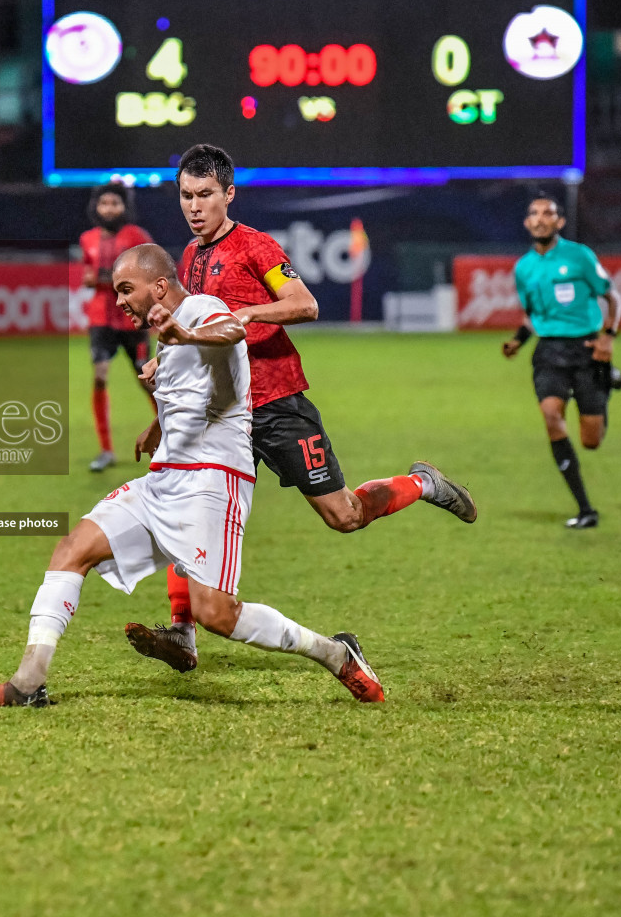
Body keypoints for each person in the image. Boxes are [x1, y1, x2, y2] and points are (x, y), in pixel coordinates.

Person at [0, 244, 384, 708]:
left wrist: (185, 335)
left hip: (212, 483)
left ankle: (335, 653)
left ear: (160, 287)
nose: (120, 299)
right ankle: (27, 683)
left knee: (218, 614)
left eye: (127, 289)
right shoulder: (167, 332)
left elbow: (229, 332)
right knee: (72, 549)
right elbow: (194, 390)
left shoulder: (203, 311)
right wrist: (157, 420)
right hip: (164, 480)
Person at [125, 144, 475, 675]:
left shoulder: (254, 247)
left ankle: (421, 483)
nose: (194, 206)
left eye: (205, 195)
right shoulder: (190, 261)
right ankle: (183, 631)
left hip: (278, 404)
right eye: (186, 195)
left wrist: (244, 314)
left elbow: (305, 304)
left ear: (229, 194)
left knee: (344, 516)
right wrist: (160, 415)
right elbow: (187, 341)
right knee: (189, 510)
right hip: (223, 416)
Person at [502, 194, 621, 529]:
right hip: (549, 353)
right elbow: (533, 316)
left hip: (586, 350)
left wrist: (608, 337)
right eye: (534, 213)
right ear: (527, 223)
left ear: (560, 221)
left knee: (591, 441)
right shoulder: (523, 268)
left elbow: (613, 297)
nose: (540, 219)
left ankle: (608, 379)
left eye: (548, 213)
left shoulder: (580, 256)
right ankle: (585, 509)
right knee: (552, 417)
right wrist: (517, 341)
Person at [79, 183, 156, 472]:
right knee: (99, 377)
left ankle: (171, 441)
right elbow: (88, 275)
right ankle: (106, 450)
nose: (109, 209)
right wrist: (100, 277)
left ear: (124, 207)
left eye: (114, 203)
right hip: (101, 319)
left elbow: (149, 273)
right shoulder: (88, 239)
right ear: (96, 208)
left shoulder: (136, 237)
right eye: (104, 203)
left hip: (133, 319)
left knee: (146, 380)